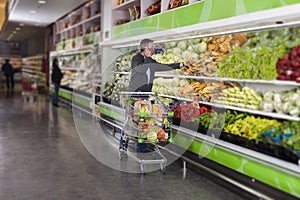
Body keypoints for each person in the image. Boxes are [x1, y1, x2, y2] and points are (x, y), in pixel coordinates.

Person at [127, 38, 185, 153]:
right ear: (146, 48)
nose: (154, 49)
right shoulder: (136, 59)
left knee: (144, 122)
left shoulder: (151, 60)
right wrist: (148, 57)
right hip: (135, 94)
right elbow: (140, 69)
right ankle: (124, 144)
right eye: (152, 47)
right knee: (131, 121)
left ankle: (142, 149)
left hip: (146, 95)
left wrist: (181, 64)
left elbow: (164, 66)